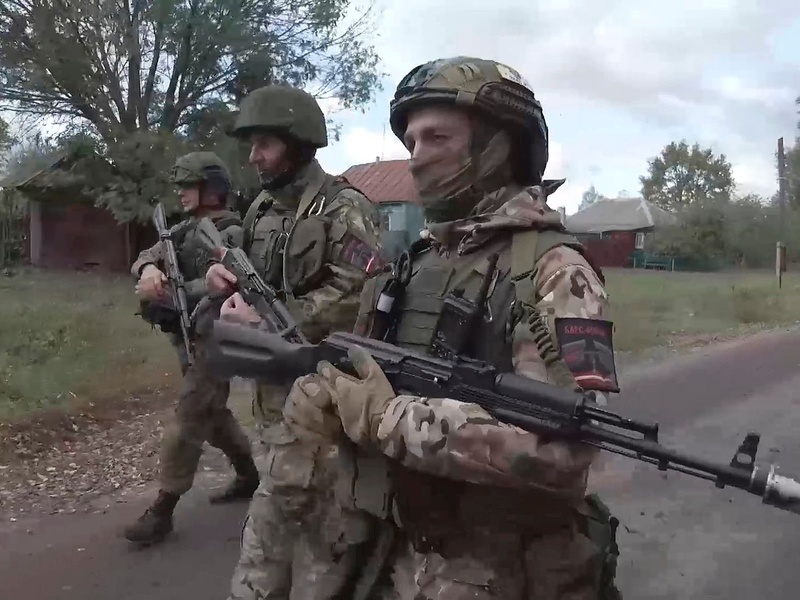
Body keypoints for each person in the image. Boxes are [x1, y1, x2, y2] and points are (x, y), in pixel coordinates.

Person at [283, 57, 623, 599]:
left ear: (498, 147)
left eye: (435, 137)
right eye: (411, 140)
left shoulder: (553, 271)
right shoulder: (418, 260)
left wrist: (390, 419)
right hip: (394, 543)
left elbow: (565, 452)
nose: (415, 159)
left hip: (497, 568)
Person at [203, 84, 384, 599]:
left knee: (319, 538)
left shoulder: (344, 207)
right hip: (269, 396)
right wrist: (225, 282)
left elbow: (360, 288)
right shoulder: (261, 207)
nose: (254, 156)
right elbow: (251, 273)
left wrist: (286, 322)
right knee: (282, 517)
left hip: (325, 399)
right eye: (252, 145)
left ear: (300, 143)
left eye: (266, 144)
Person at [124, 152, 259, 545]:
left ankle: (162, 511)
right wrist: (149, 270)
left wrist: (179, 290)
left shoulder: (229, 231)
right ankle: (249, 475)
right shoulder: (182, 229)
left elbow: (232, 282)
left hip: (216, 337)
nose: (181, 192)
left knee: (189, 417)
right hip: (187, 336)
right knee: (212, 414)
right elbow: (152, 254)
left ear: (212, 188)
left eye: (189, 185)